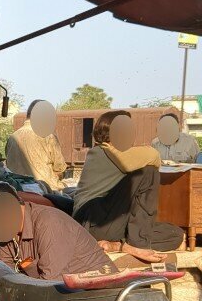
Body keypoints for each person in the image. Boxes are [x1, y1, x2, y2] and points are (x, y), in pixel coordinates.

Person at [73, 110, 184, 262]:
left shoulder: (112, 152)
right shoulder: (102, 151)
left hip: (109, 226)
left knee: (175, 234)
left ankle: (118, 245)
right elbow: (154, 156)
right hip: (93, 222)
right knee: (148, 172)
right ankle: (138, 243)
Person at [0, 182, 116, 280]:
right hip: (61, 296)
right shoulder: (9, 234)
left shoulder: (49, 222)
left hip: (96, 297)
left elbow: (50, 284)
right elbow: (4, 275)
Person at [5, 99, 67, 192]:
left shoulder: (12, 137)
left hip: (17, 190)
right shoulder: (48, 136)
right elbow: (59, 168)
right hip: (46, 190)